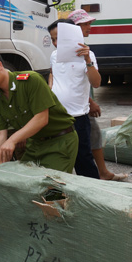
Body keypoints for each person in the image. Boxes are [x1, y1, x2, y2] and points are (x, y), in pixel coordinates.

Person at [0, 49, 79, 172]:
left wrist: (12, 140)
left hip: (60, 142)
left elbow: (42, 118)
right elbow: (0, 133)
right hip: (35, 145)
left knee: (52, 188)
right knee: (24, 184)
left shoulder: (31, 81)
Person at [68, 9, 128, 181]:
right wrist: (90, 101)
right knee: (83, 149)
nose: (90, 27)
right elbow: (65, 85)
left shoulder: (87, 53)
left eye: (89, 23)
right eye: (85, 24)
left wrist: (90, 100)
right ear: (74, 28)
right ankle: (94, 177)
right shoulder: (61, 55)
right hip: (76, 109)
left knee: (94, 135)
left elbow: (95, 82)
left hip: (84, 104)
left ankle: (102, 172)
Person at [47, 18, 101, 179]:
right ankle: (58, 197)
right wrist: (50, 88)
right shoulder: (54, 55)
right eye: (53, 39)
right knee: (58, 159)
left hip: (77, 117)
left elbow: (96, 83)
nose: (55, 43)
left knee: (83, 159)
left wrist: (87, 61)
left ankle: (93, 196)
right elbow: (52, 73)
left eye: (58, 38)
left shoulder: (88, 55)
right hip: (56, 116)